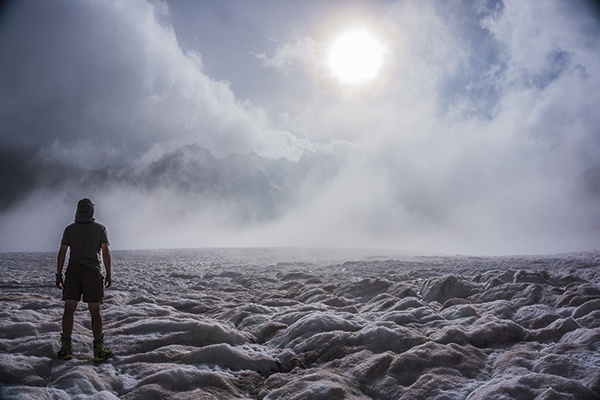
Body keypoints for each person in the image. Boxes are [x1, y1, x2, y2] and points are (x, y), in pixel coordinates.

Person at [55, 198, 113, 362]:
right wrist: (108, 273)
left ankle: (66, 348)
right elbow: (106, 251)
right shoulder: (100, 229)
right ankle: (99, 349)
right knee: (95, 311)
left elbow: (62, 252)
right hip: (92, 272)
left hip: (73, 271)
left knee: (69, 309)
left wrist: (59, 275)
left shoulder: (70, 229)